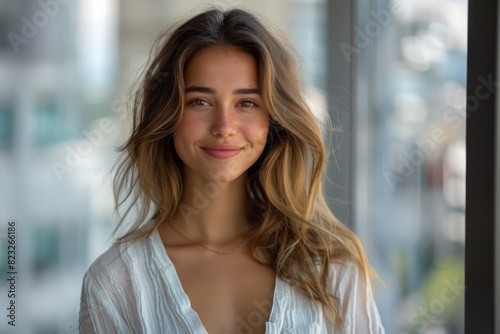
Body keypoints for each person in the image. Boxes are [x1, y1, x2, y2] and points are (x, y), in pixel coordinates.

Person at [79, 7, 385, 334]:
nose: (224, 127)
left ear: (274, 119)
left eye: (247, 103)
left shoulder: (331, 268)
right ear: (168, 115)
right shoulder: (115, 283)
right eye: (200, 101)